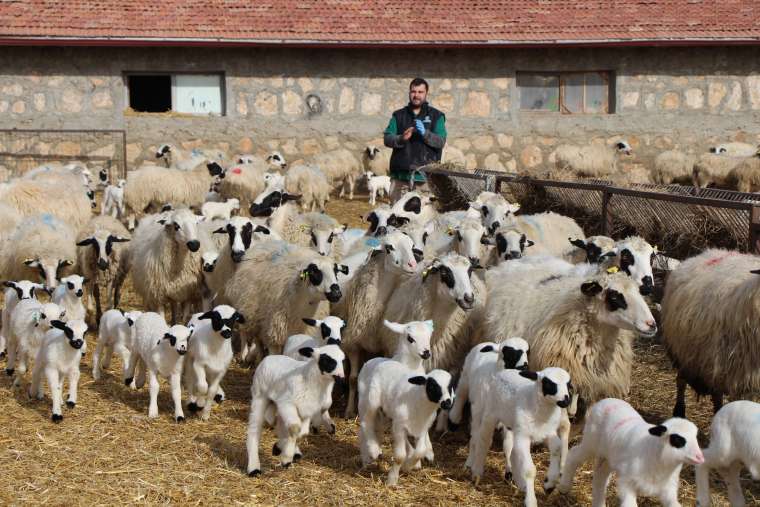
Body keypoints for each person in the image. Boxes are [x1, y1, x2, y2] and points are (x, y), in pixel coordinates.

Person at [383, 77, 447, 201]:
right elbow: (387, 138)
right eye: (413, 91)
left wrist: (425, 133)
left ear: (426, 94)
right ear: (409, 92)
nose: (416, 95)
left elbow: (440, 142)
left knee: (423, 217)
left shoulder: (436, 116)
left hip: (425, 179)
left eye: (420, 92)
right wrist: (401, 138)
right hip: (401, 178)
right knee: (396, 216)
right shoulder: (399, 115)